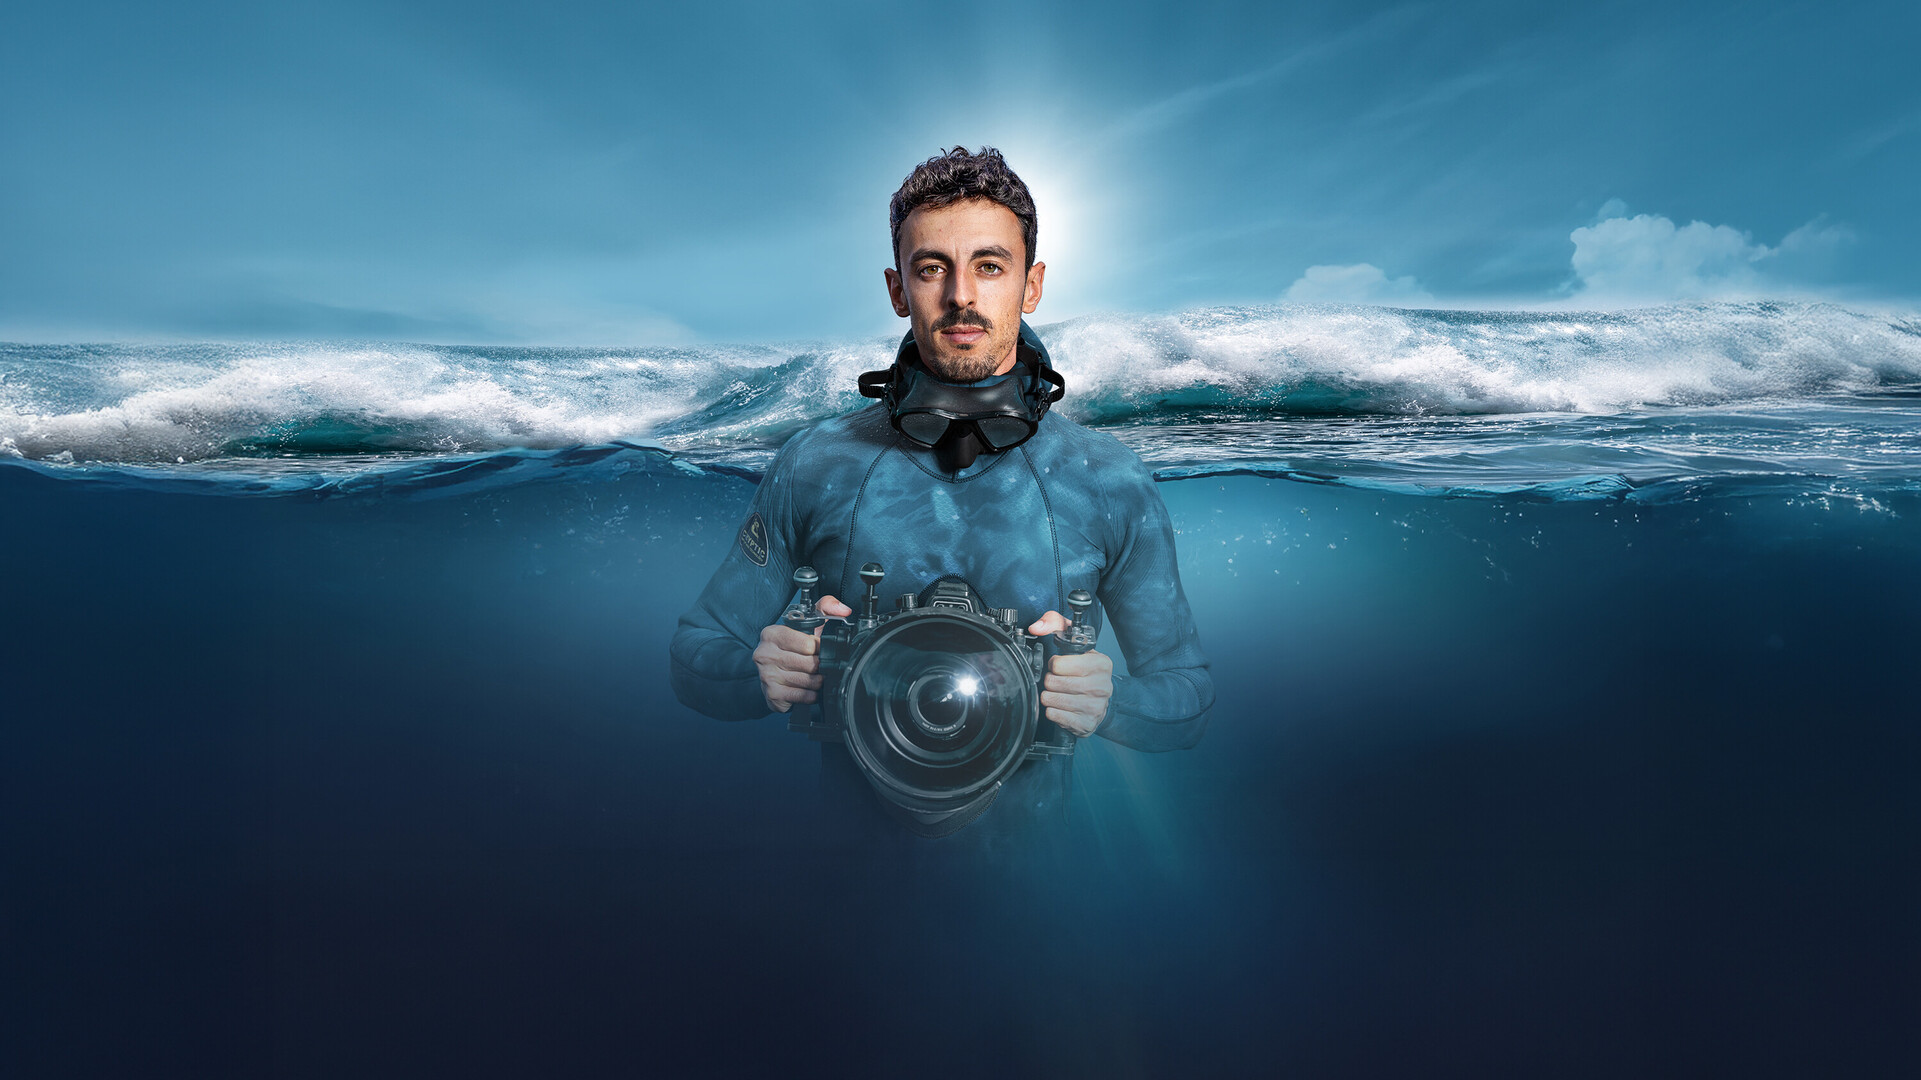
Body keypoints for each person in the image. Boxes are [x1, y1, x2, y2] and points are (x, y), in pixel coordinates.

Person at [669, 147, 1211, 837]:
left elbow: (1187, 699)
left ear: (1031, 284)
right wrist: (763, 673)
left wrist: (1108, 701)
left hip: (1035, 881)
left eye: (990, 266)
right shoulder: (813, 463)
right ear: (898, 289)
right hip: (848, 874)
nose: (961, 295)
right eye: (932, 269)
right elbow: (694, 655)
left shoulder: (1108, 478)